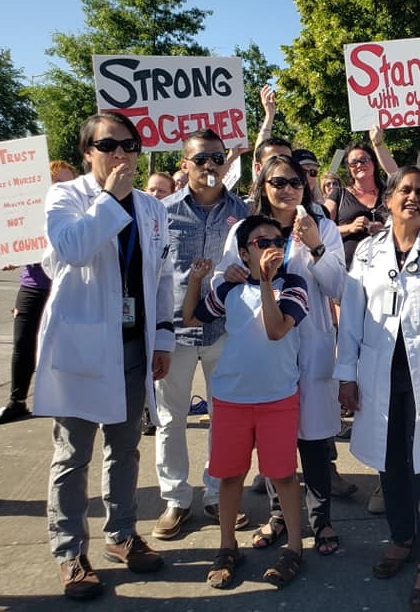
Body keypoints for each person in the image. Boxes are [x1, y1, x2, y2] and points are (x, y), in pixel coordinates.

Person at [34, 112, 175, 600]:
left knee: (126, 447)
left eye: (131, 145)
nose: (122, 154)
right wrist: (110, 199)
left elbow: (161, 277)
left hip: (134, 347)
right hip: (83, 346)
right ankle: (70, 551)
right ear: (87, 153)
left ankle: (121, 534)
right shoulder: (65, 197)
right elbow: (71, 249)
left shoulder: (152, 209)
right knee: (73, 454)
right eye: (109, 145)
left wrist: (163, 338)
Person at [337, 166, 420, 611]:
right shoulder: (368, 254)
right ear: (389, 199)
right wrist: (347, 375)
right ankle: (401, 538)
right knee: (390, 464)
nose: (413, 196)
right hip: (379, 377)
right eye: (404, 190)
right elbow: (352, 322)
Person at [218, 154, 347, 556]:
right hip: (266, 348)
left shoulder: (321, 224)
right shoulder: (244, 229)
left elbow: (338, 285)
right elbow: (227, 273)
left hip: (309, 345)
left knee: (313, 437)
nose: (287, 188)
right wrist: (232, 273)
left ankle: (321, 519)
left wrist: (317, 246)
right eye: (277, 182)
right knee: (276, 442)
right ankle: (279, 516)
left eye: (294, 181)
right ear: (263, 186)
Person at [181, 215, 309, 589]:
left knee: (282, 475)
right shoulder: (229, 289)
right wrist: (197, 281)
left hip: (277, 398)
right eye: (260, 242)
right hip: (231, 399)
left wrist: (267, 282)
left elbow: (275, 330)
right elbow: (192, 317)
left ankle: (295, 548)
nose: (272, 246)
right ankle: (226, 547)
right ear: (242, 253)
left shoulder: (293, 285)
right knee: (230, 475)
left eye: (277, 240)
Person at [151, 129, 250, 541]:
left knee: (223, 416)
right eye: (200, 159)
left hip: (224, 327)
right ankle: (176, 499)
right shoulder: (162, 211)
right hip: (174, 330)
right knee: (170, 418)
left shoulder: (240, 211)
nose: (209, 165)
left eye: (216, 157)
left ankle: (215, 493)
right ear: (184, 165)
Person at [0, 161, 78, 426]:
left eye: (67, 182)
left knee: (67, 347)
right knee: (23, 343)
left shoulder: (79, 213)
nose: (62, 188)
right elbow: (15, 244)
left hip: (67, 287)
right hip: (33, 285)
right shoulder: (30, 216)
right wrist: (10, 256)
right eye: (56, 183)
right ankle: (17, 400)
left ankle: (70, 400)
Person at [325, 141, 387, 268]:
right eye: (353, 163)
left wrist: (385, 229)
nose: (359, 165)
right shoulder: (338, 194)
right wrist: (350, 227)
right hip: (348, 269)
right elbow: (322, 230)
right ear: (349, 168)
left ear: (374, 162)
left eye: (364, 160)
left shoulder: (389, 193)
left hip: (384, 267)